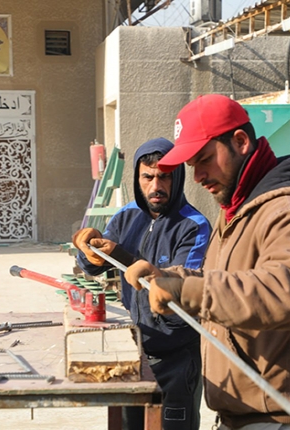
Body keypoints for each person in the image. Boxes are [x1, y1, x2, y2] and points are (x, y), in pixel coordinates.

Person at [124, 94, 290, 430]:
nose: (198, 176)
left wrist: (185, 291)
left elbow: (287, 294)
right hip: (247, 416)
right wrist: (168, 276)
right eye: (192, 166)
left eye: (205, 159)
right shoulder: (240, 209)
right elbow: (223, 279)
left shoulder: (289, 213)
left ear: (240, 142)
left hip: (279, 421)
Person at [72, 137, 211, 430]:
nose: (155, 186)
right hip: (132, 354)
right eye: (147, 177)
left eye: (164, 177)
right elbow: (95, 266)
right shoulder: (125, 217)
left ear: (178, 178)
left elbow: (180, 286)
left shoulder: (194, 226)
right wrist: (88, 250)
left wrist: (123, 256)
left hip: (177, 356)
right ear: (137, 178)